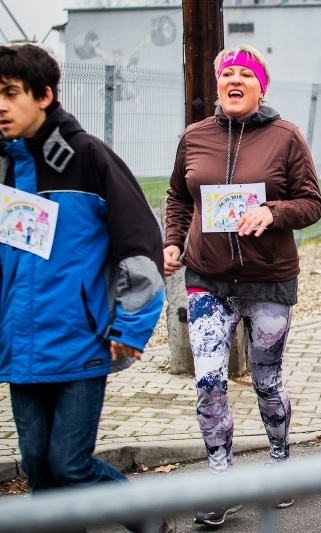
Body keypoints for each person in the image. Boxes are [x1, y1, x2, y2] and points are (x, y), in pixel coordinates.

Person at [0, 44, 172, 532]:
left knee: (70, 464)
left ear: (45, 95)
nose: (1, 106)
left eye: (11, 94)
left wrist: (132, 325)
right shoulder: (3, 168)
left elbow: (141, 246)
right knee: (39, 471)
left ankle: (149, 521)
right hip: (20, 348)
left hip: (82, 340)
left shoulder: (88, 157)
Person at [163, 44, 321, 525]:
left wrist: (272, 212)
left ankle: (278, 464)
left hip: (267, 281)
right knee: (209, 382)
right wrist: (173, 242)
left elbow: (312, 203)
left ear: (260, 86)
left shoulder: (286, 137)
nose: (234, 80)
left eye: (245, 75)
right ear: (217, 85)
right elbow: (177, 196)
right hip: (207, 279)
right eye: (226, 73)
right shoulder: (194, 137)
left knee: (266, 381)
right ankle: (221, 479)